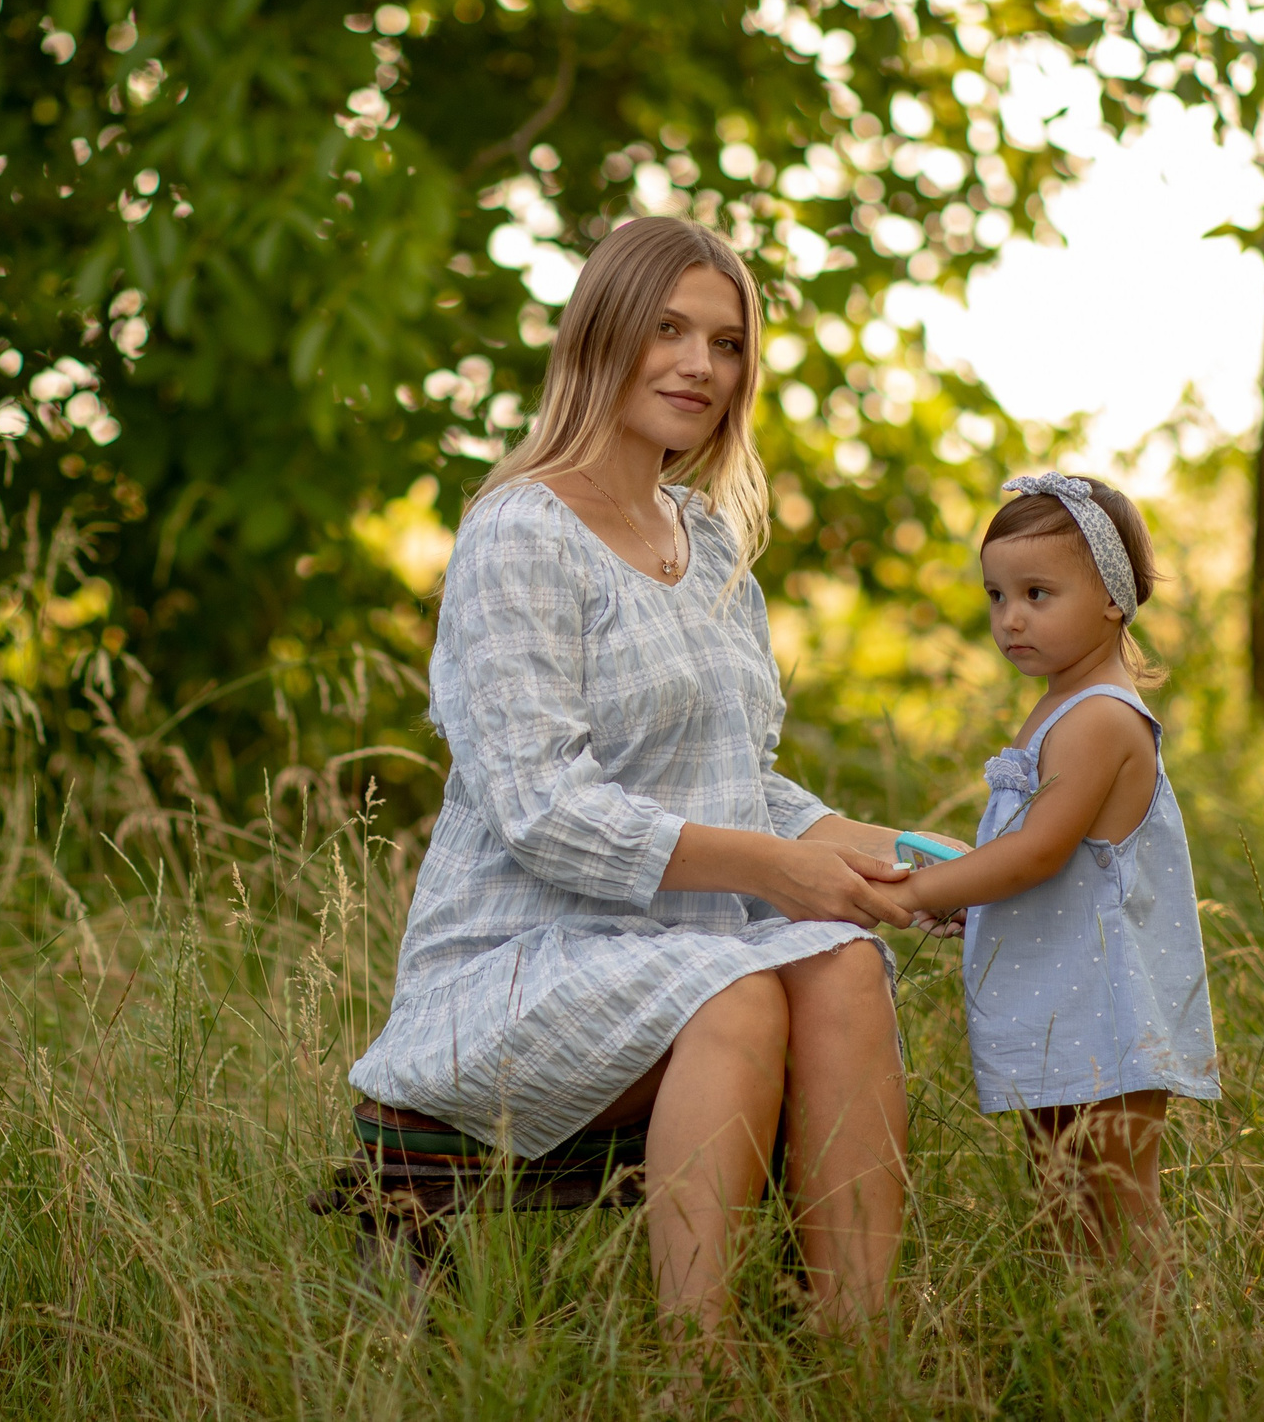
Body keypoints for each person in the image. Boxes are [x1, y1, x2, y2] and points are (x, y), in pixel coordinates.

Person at [348, 216, 922, 1341]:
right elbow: (539, 807)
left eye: (726, 342)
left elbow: (738, 781)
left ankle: (861, 1357)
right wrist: (774, 869)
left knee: (849, 963)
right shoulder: (519, 534)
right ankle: (693, 1371)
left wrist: (868, 848)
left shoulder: (705, 543)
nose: (700, 366)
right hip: (515, 971)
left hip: (682, 951)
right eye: (668, 330)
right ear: (600, 335)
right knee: (741, 989)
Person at [890, 472, 1220, 1262]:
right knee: (1067, 1191)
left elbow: (1038, 852)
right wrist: (976, 894)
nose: (1011, 619)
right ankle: (1091, 1345)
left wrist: (918, 890)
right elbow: (1043, 856)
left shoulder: (1099, 717)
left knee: (1119, 1200)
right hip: (1060, 1001)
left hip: (1104, 1005)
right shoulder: (1061, 699)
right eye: (996, 596)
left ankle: (1154, 1355)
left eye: (1038, 593)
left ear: (1112, 595)